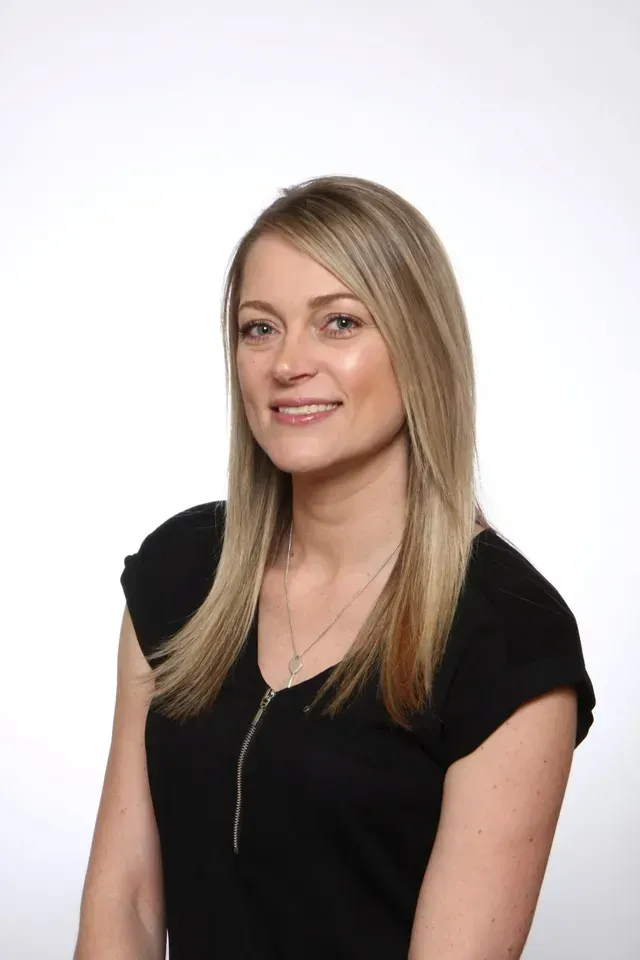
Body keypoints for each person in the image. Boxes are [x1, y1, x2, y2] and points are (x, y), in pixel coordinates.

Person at [74, 175, 596, 960]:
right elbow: (127, 905)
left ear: (419, 345)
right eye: (260, 328)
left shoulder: (510, 635)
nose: (288, 363)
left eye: (339, 322)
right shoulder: (179, 574)